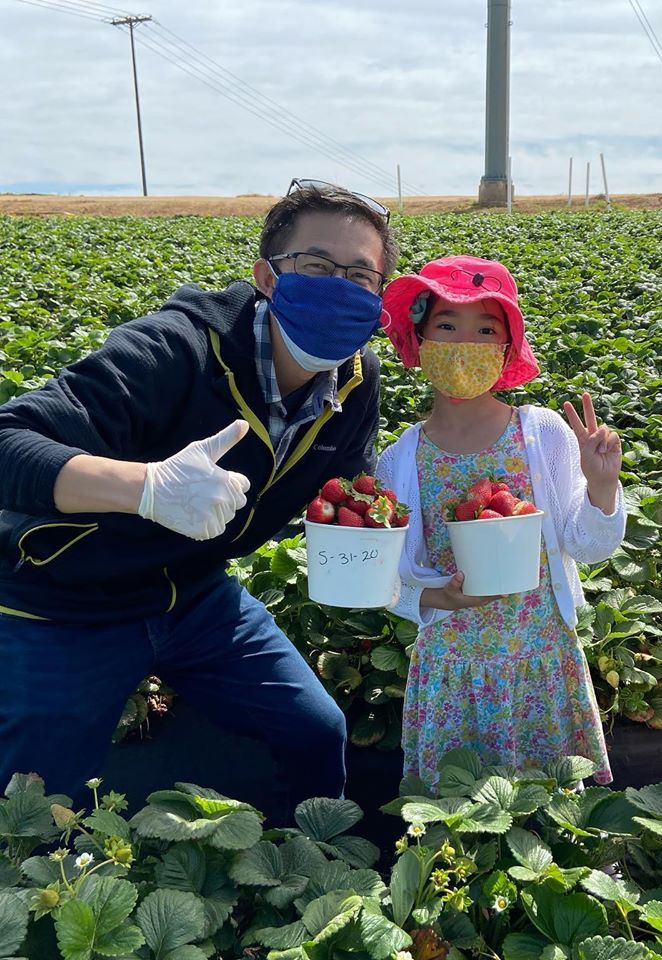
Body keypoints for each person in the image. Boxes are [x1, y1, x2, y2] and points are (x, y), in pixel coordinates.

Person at [0, 180, 398, 815]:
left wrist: (408, 562)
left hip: (198, 597)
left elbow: (347, 496)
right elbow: (9, 440)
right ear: (267, 276)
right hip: (65, 604)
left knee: (315, 732)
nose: (337, 285)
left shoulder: (356, 379)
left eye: (359, 275)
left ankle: (306, 869)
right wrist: (146, 488)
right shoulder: (177, 350)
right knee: (38, 808)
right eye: (316, 265)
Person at [374, 255, 626, 789]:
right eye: (447, 325)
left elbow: (587, 545)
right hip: (452, 664)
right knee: (456, 818)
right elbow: (387, 575)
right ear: (418, 341)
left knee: (549, 809)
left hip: (539, 652)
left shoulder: (541, 433)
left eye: (485, 329)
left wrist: (601, 486)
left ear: (507, 348)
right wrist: (434, 598)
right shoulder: (402, 458)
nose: (466, 342)